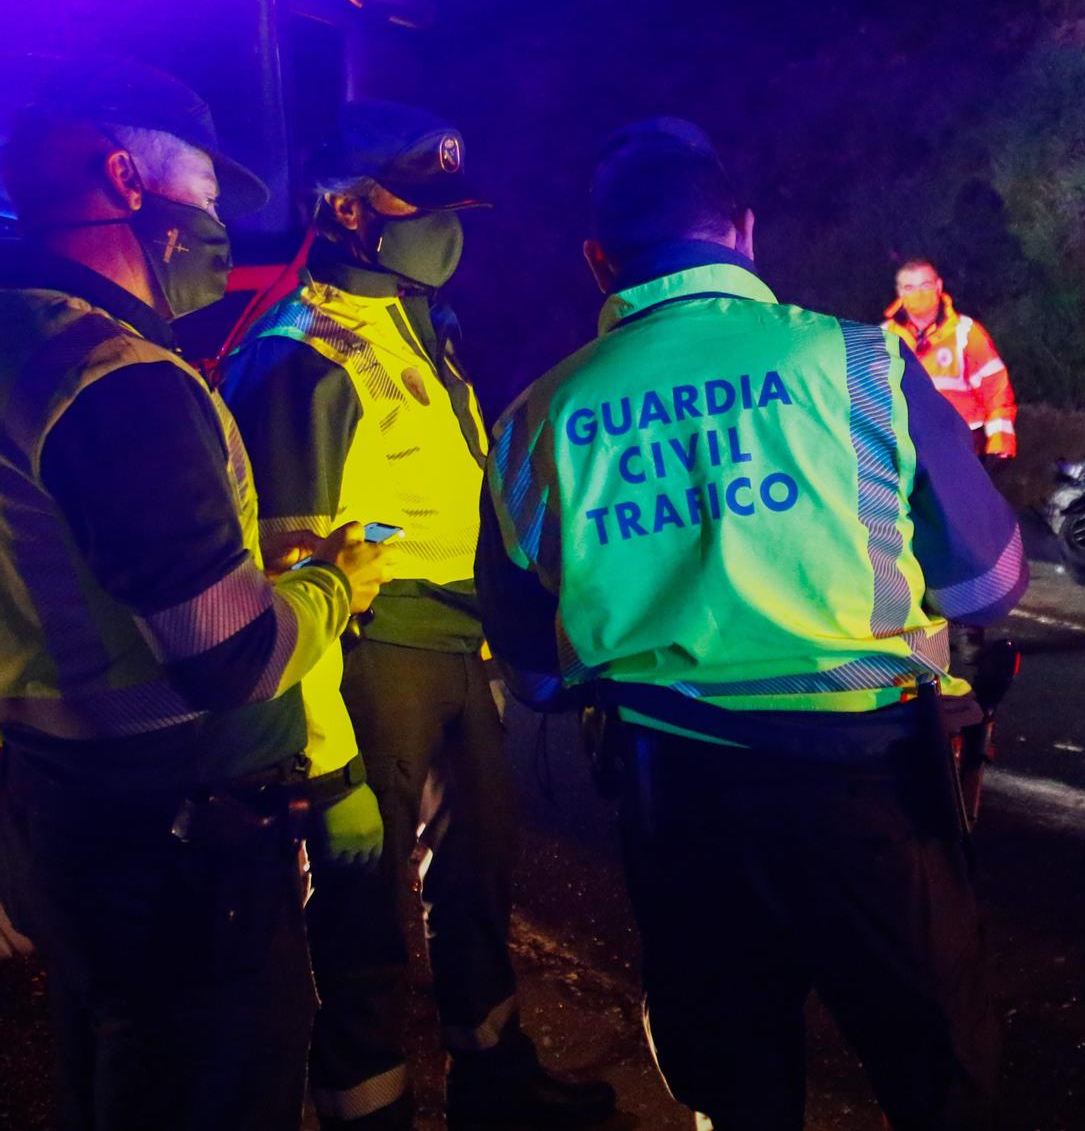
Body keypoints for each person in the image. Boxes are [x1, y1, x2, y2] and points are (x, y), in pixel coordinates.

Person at [479, 118, 1027, 1130]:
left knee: (732, 1089)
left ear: (598, 259)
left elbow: (534, 675)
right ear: (743, 230)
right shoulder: (862, 362)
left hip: (674, 800)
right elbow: (989, 581)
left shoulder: (533, 418)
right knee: (935, 1075)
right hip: (871, 787)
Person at [0, 57, 388, 1129]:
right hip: (172, 843)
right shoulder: (112, 375)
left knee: (115, 1072)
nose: (218, 237)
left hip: (62, 811)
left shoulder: (16, 332)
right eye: (209, 204)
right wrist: (327, 585)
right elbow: (228, 659)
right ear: (127, 180)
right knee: (201, 1082)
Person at [219, 101, 615, 1131]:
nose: (450, 228)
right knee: (359, 904)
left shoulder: (414, 321)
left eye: (453, 204)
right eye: (423, 204)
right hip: (367, 655)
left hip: (446, 642)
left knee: (478, 870)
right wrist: (324, 764)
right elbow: (283, 573)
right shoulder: (300, 354)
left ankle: (493, 1075)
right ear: (347, 212)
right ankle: (365, 1101)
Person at [885, 258, 1017, 462]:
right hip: (910, 451)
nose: (918, 294)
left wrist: (999, 442)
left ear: (938, 286)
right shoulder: (882, 338)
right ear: (900, 292)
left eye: (925, 285)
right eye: (909, 287)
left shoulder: (965, 333)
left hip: (963, 444)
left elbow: (996, 389)